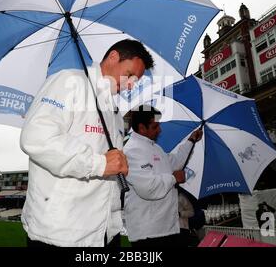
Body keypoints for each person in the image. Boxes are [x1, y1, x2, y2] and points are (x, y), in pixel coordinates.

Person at [20, 39, 154, 247]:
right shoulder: (68, 81)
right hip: (61, 234)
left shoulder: (115, 112)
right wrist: (100, 164)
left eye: (136, 81)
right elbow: (37, 137)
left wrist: (119, 166)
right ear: (113, 57)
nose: (130, 85)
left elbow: (109, 165)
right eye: (129, 75)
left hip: (105, 233)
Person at [123, 106, 203, 247]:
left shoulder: (155, 148)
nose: (160, 130)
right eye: (155, 126)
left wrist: (191, 141)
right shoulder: (132, 151)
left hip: (166, 228)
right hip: (148, 233)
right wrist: (173, 178)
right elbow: (149, 188)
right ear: (142, 128)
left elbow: (176, 162)